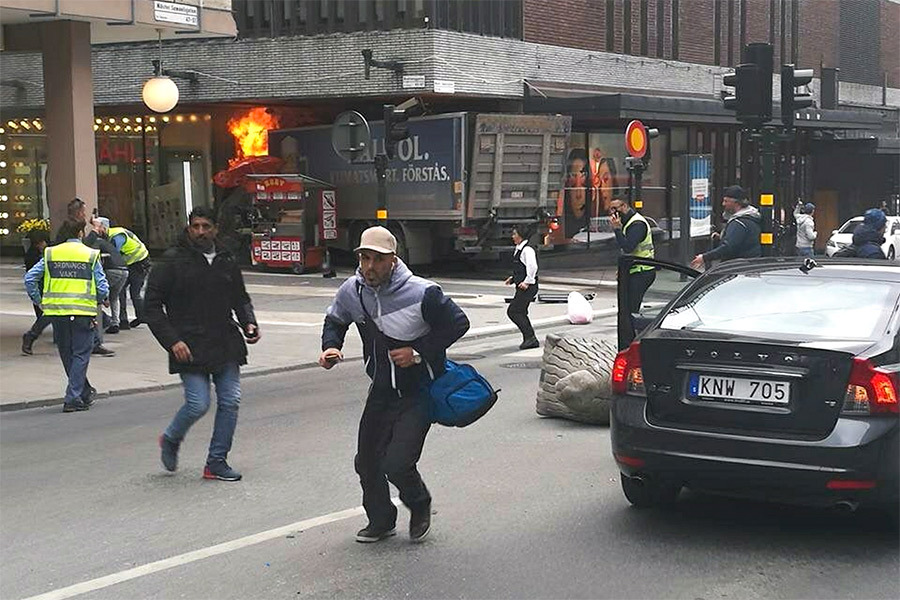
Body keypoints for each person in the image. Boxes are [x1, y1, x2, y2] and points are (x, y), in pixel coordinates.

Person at [319, 226, 469, 544]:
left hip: (419, 391)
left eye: (377, 259)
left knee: (397, 463)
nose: (369, 267)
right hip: (382, 389)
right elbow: (335, 318)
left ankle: (419, 503)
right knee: (367, 460)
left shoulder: (422, 292)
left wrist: (417, 351)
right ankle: (382, 520)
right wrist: (330, 345)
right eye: (364, 258)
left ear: (393, 260)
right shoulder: (352, 290)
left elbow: (458, 323)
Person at [145, 207, 260, 481]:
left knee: (231, 401)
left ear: (215, 229)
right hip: (189, 345)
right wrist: (172, 341)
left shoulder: (226, 258)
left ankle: (216, 462)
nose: (200, 232)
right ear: (189, 228)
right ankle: (171, 438)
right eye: (195, 226)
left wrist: (249, 322)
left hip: (224, 342)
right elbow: (151, 307)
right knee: (198, 404)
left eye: (206, 226)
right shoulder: (172, 261)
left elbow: (239, 297)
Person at [24, 219, 108, 412]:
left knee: (67, 353)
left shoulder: (51, 253)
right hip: (82, 312)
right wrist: (100, 299)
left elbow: (30, 278)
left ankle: (83, 392)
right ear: (80, 233)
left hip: (57, 312)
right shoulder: (90, 254)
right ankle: (73, 397)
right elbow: (102, 286)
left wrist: (40, 300)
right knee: (81, 354)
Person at [690, 185, 761, 270]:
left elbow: (728, 247)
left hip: (738, 267)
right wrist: (721, 237)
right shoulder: (749, 218)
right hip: (747, 265)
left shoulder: (739, 223)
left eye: (726, 201)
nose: (723, 204)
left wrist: (704, 257)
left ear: (736, 203)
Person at [610, 197, 656, 313]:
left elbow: (628, 247)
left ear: (625, 206)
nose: (613, 213)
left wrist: (617, 230)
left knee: (631, 309)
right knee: (626, 308)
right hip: (633, 269)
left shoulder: (637, 224)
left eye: (615, 208)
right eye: (610, 210)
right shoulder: (628, 222)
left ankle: (633, 329)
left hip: (642, 271)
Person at [85, 217, 129, 335]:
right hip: (124, 270)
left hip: (112, 270)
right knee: (114, 297)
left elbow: (94, 258)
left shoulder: (97, 242)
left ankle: (95, 326)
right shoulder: (108, 242)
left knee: (98, 292)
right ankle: (115, 322)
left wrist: (104, 297)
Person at [108, 224, 150, 329]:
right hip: (134, 264)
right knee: (122, 291)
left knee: (134, 292)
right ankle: (124, 320)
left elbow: (115, 253)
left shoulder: (117, 236)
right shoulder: (114, 233)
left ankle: (141, 317)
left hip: (139, 263)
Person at [504, 224, 539, 350]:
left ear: (521, 236)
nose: (513, 237)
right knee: (520, 311)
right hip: (522, 285)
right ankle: (529, 338)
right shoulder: (519, 248)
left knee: (514, 311)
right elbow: (521, 267)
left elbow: (532, 267)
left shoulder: (527, 249)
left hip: (528, 287)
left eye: (514, 234)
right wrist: (513, 278)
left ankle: (530, 337)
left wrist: (527, 281)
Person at [21, 229, 52, 355]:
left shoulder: (47, 252)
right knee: (46, 316)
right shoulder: (33, 255)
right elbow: (31, 277)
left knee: (48, 317)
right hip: (42, 290)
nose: (40, 245)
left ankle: (31, 336)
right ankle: (30, 336)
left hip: (48, 289)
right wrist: (37, 299)